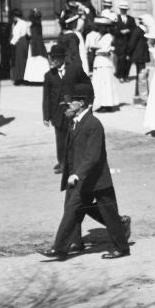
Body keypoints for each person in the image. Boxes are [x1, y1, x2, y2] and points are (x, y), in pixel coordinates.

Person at [40, 83, 131, 261]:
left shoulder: (94, 124)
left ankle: (121, 247)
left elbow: (93, 155)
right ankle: (60, 248)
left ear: (81, 103)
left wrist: (77, 174)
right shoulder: (76, 122)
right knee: (72, 210)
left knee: (108, 214)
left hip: (97, 179)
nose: (67, 105)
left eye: (71, 102)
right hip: (82, 179)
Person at [43, 44, 90, 172]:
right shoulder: (49, 75)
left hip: (74, 111)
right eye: (51, 58)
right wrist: (46, 116)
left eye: (55, 58)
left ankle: (75, 162)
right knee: (60, 138)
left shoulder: (74, 70)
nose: (52, 61)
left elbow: (86, 86)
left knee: (75, 136)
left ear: (62, 58)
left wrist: (86, 103)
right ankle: (62, 162)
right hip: (57, 113)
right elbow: (46, 97)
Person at [89, 15, 122, 111]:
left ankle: (108, 105)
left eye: (102, 26)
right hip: (98, 61)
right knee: (99, 83)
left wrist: (95, 48)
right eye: (99, 26)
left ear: (107, 27)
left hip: (105, 61)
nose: (100, 28)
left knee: (106, 83)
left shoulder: (108, 36)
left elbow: (106, 49)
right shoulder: (99, 36)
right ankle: (102, 103)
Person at [23, 10, 50, 85]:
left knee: (37, 59)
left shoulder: (35, 24)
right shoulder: (37, 24)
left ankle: (36, 79)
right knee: (39, 59)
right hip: (36, 42)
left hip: (35, 42)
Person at [8, 9, 29, 85]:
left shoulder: (18, 25)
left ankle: (19, 78)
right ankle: (24, 78)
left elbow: (16, 35)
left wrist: (11, 43)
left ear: (15, 16)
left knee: (18, 61)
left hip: (19, 43)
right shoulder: (25, 23)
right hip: (25, 42)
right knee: (24, 60)